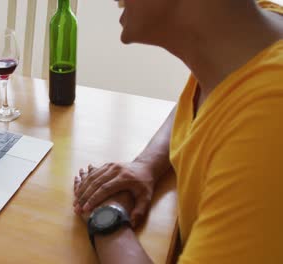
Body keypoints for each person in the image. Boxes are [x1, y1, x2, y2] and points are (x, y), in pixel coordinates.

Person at [73, 0, 283, 263]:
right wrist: (145, 165)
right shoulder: (246, 40)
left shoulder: (269, 119)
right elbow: (208, 96)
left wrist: (107, 219)